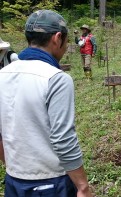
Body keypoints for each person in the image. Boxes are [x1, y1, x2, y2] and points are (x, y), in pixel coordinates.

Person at [0, 10, 93, 197]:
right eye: (66, 42)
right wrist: (83, 186)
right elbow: (63, 139)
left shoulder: (2, 75)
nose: (66, 47)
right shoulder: (56, 79)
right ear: (57, 38)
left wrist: (14, 167)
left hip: (14, 181)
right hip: (51, 183)